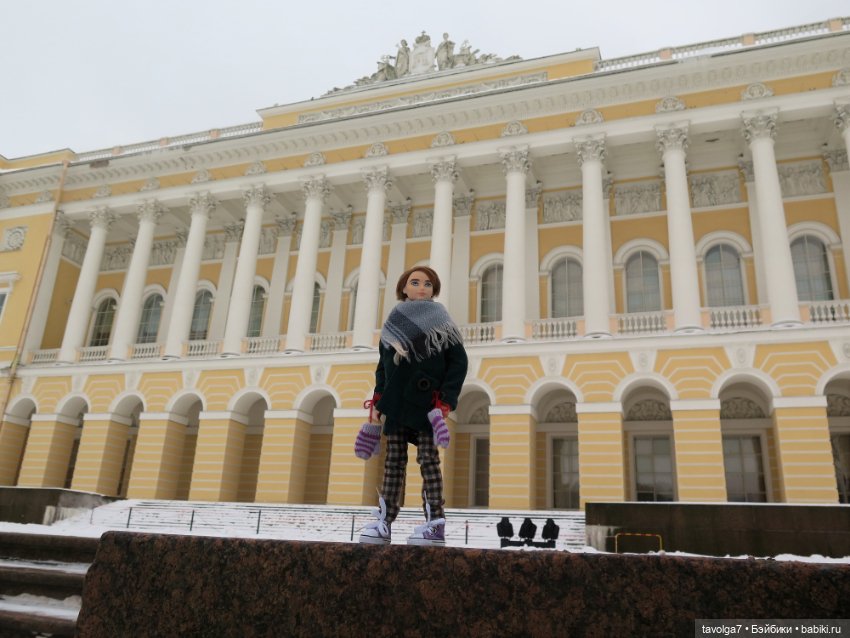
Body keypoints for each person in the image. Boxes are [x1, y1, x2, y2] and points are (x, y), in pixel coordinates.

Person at [355, 266, 468, 546]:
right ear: (403, 288)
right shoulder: (394, 322)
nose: (421, 287)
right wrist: (379, 399)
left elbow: (459, 362)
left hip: (427, 403)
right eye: (415, 282)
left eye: (428, 283)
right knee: (393, 464)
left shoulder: (441, 320)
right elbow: (382, 366)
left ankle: (434, 523)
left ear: (434, 290)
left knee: (429, 463)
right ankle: (385, 521)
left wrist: (446, 400)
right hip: (395, 402)